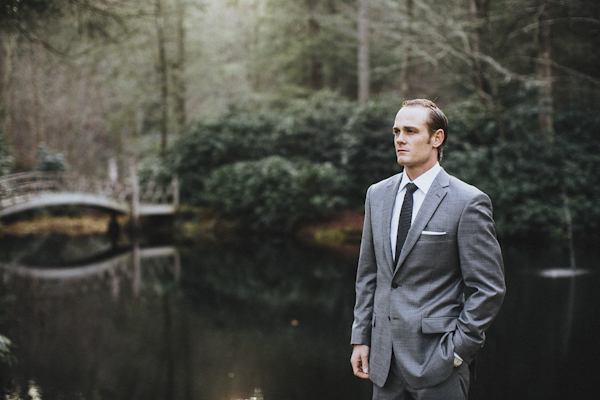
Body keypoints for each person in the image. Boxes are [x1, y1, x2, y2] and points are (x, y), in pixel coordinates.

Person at [350, 99, 506, 400]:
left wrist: (459, 350)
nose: (400, 139)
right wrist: (361, 338)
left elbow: (489, 288)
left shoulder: (468, 201)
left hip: (440, 365)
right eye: (396, 131)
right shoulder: (377, 195)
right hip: (384, 366)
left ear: (437, 138)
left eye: (410, 131)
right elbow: (369, 275)